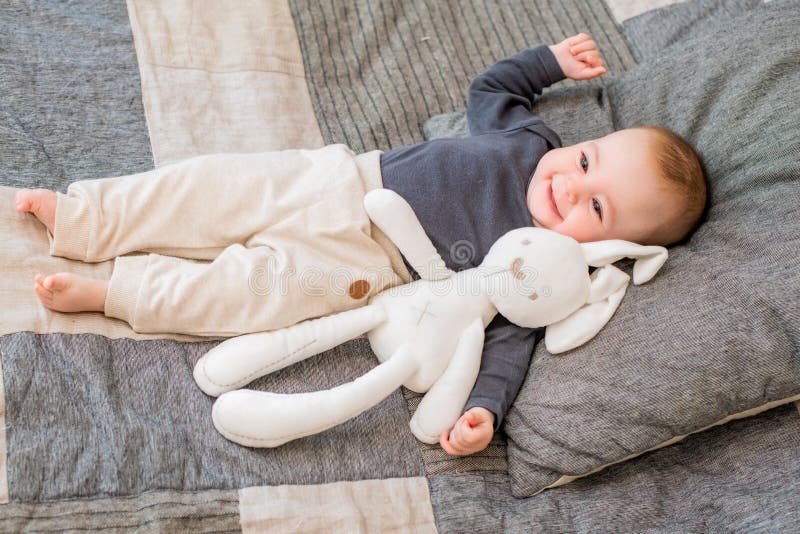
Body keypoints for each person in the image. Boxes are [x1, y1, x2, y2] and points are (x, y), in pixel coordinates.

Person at [14, 34, 707, 456]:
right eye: (586, 162)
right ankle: (84, 221)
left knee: (240, 295)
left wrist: (483, 412)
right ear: (578, 144)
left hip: (355, 270)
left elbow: (507, 349)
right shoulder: (527, 141)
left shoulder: (535, 268)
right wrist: (548, 62)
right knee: (199, 191)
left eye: (595, 207)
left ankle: (117, 294)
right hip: (333, 178)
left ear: (609, 245)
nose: (569, 186)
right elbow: (491, 86)